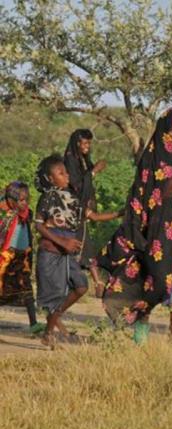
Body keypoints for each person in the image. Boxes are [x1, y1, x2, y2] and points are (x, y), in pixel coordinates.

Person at [96, 107, 172, 343]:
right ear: (163, 131)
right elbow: (138, 195)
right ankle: (141, 329)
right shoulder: (151, 159)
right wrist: (136, 228)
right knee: (155, 281)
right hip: (158, 233)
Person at [34, 154, 117, 348]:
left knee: (81, 286)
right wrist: (63, 242)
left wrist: (120, 213)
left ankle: (53, 321)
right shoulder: (47, 198)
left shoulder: (72, 198)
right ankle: (49, 332)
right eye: (60, 173)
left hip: (66, 253)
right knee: (54, 296)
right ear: (50, 178)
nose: (66, 176)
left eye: (66, 172)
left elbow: (94, 216)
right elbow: (39, 226)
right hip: (52, 252)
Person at [63, 129, 115, 297]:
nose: (87, 146)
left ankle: (96, 282)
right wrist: (94, 171)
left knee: (85, 244)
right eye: (85, 143)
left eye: (89, 143)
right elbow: (77, 184)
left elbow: (86, 178)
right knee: (79, 245)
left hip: (81, 208)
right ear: (77, 143)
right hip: (72, 208)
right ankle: (94, 282)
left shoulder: (82, 159)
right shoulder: (70, 159)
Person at [0, 182, 44, 334]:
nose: (25, 203)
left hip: (22, 257)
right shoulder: (6, 216)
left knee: (26, 289)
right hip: (6, 258)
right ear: (12, 201)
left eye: (26, 199)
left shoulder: (27, 214)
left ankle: (34, 324)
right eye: (21, 200)